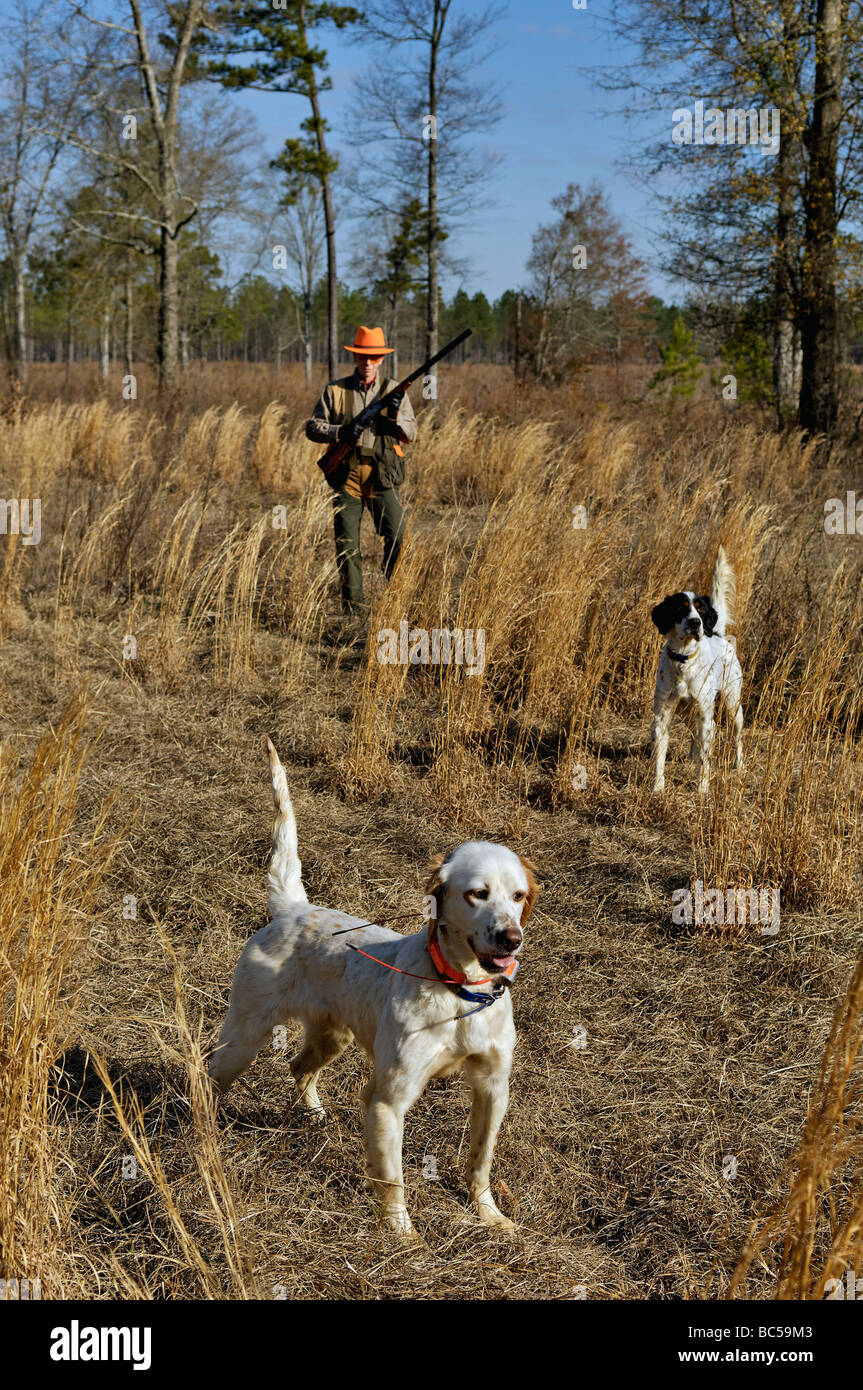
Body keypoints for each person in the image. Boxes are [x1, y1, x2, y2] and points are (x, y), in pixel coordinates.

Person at [305, 325, 417, 615]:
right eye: (362, 357)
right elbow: (312, 427)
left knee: (399, 534)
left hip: (381, 475)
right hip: (346, 475)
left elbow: (411, 432)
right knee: (346, 544)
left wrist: (392, 417)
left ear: (381, 359)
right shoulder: (335, 390)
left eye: (374, 358)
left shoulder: (394, 392)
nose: (368, 363)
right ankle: (354, 609)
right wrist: (340, 431)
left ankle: (395, 594)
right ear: (355, 358)